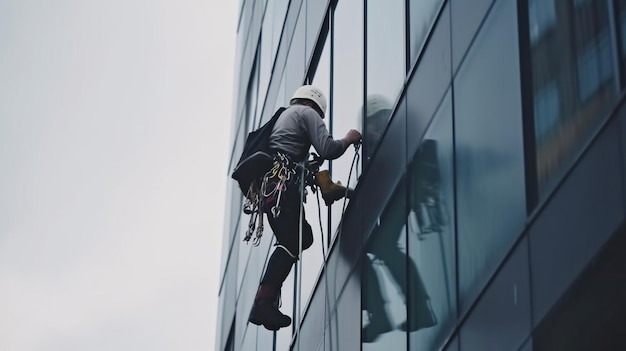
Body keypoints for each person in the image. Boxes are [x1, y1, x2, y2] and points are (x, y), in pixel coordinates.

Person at [248, 85, 362, 331]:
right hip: (281, 191)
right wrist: (349, 138)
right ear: (315, 106)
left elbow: (295, 161)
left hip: (272, 193)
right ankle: (263, 302)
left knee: (300, 237)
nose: (318, 120)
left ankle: (266, 302)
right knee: (295, 239)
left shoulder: (284, 118)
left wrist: (321, 179)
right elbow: (329, 149)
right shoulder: (307, 113)